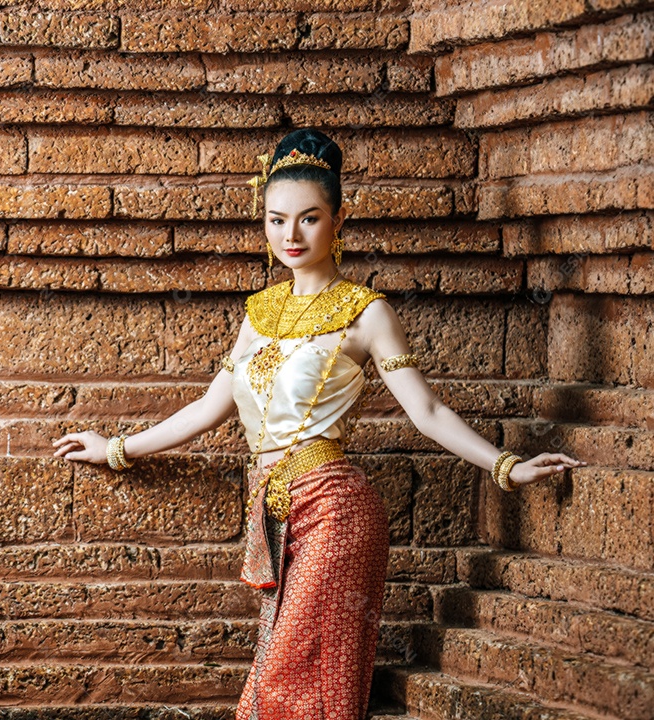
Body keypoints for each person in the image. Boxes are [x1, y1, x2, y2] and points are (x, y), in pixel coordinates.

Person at [51, 128, 585, 720]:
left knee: (288, 683)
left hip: (335, 510)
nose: (291, 235)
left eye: (308, 219)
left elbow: (427, 412)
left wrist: (508, 466)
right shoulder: (258, 313)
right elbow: (209, 408)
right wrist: (115, 449)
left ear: (337, 220)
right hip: (275, 512)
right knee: (290, 682)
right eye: (277, 220)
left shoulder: (366, 312)